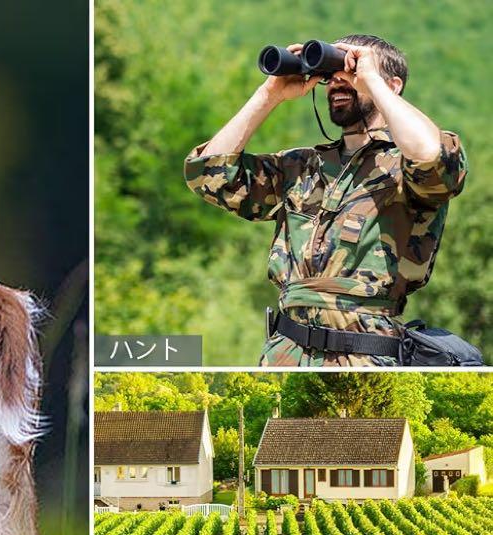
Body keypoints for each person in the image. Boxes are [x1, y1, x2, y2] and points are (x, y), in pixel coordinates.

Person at [185, 35, 467, 367]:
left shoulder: (404, 167)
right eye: (332, 73)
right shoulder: (301, 167)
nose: (338, 81)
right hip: (284, 352)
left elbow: (434, 158)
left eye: (351, 71)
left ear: (393, 85)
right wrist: (269, 94)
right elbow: (208, 175)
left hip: (365, 352)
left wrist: (371, 80)